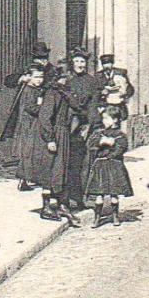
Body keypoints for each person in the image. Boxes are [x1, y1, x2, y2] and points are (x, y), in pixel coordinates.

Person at [45, 48, 104, 222]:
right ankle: (67, 198)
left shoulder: (91, 81)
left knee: (83, 162)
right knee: (66, 163)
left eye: (83, 62)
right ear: (72, 63)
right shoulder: (66, 81)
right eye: (77, 61)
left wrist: (89, 125)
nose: (80, 65)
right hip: (67, 126)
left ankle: (81, 198)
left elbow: (93, 105)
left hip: (84, 126)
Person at [2, 42, 54, 191]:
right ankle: (26, 177)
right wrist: (22, 78)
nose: (41, 61)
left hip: (42, 112)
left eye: (43, 57)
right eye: (38, 58)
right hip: (31, 116)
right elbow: (9, 81)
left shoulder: (51, 70)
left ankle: (34, 176)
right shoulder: (27, 70)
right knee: (28, 146)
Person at [86, 106, 135, 227]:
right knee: (99, 195)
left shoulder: (120, 136)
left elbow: (120, 150)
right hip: (100, 166)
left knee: (114, 194)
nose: (104, 121)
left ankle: (115, 216)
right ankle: (97, 219)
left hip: (114, 166)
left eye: (106, 119)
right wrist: (100, 143)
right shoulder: (99, 133)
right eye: (103, 119)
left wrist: (111, 146)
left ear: (115, 120)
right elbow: (91, 146)